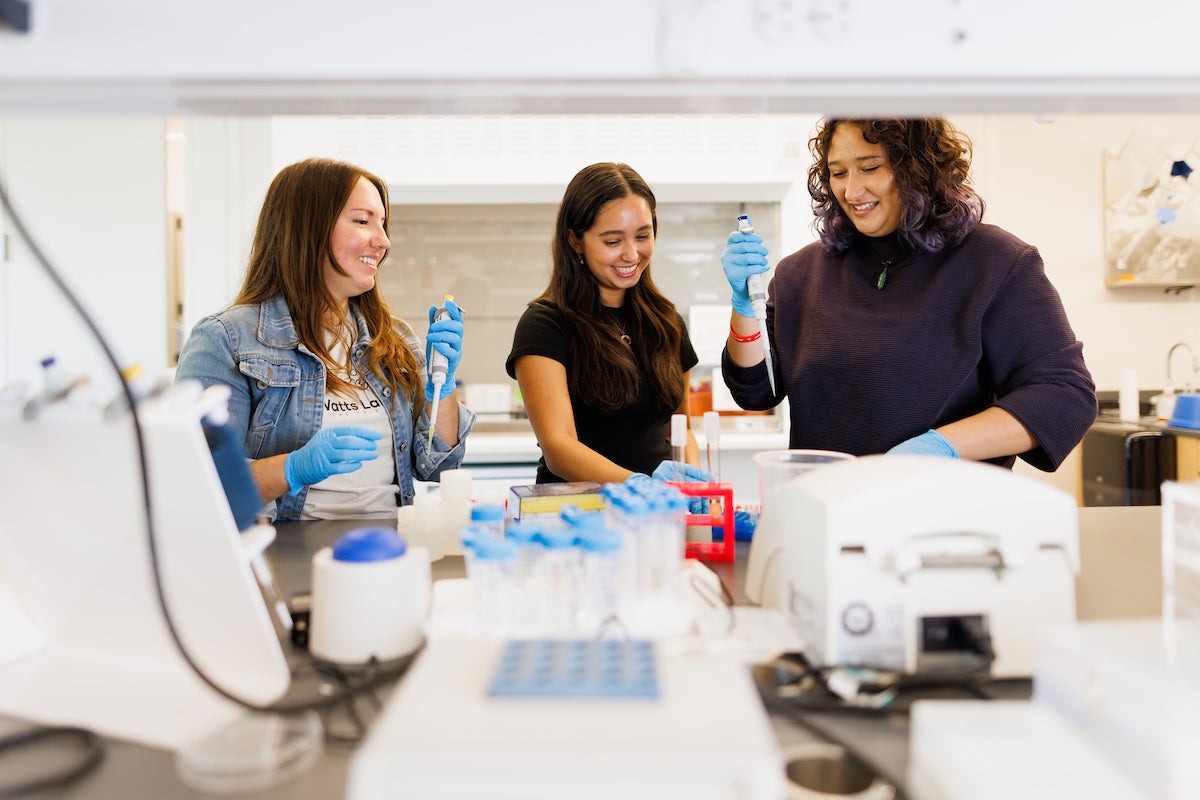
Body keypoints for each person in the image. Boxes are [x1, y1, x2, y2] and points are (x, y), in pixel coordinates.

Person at [721, 118, 1096, 471]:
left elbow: (1064, 395)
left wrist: (942, 446)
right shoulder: (800, 273)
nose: (851, 190)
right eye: (838, 173)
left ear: (918, 166)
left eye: (870, 168)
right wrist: (742, 307)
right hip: (829, 508)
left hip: (943, 518)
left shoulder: (995, 262)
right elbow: (756, 391)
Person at [176, 157, 474, 520]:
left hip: (391, 544)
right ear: (307, 227)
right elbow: (198, 483)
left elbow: (438, 468)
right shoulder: (226, 339)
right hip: (286, 551)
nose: (383, 241)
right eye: (362, 221)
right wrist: (294, 468)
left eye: (382, 224)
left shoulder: (394, 338)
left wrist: (441, 393)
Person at [506, 162, 710, 486]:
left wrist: (694, 486)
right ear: (575, 241)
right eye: (613, 241)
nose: (631, 254)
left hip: (660, 515)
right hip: (578, 515)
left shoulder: (666, 322)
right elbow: (559, 449)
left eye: (643, 236)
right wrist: (641, 486)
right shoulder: (545, 325)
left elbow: (680, 429)